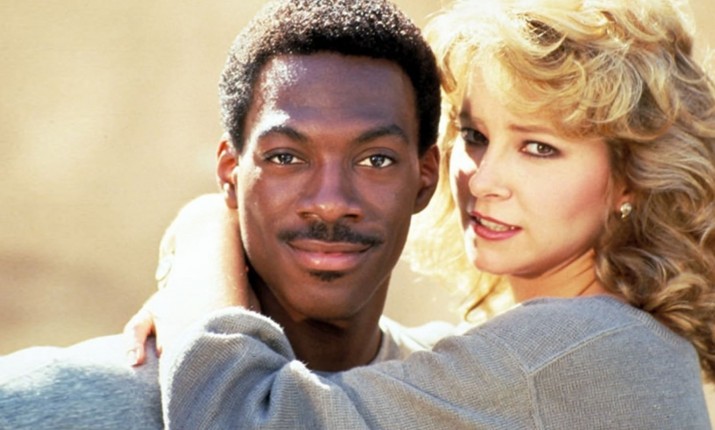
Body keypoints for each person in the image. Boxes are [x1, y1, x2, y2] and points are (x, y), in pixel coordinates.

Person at [139, 0, 715, 428]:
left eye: (539, 148)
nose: (482, 180)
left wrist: (203, 235)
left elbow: (233, 419)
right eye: (475, 135)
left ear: (632, 176)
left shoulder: (578, 349)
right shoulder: (614, 347)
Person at [0, 1, 447, 428]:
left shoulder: (458, 394)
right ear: (230, 173)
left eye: (376, 160)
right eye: (286, 158)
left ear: (425, 178)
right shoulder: (50, 403)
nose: (330, 202)